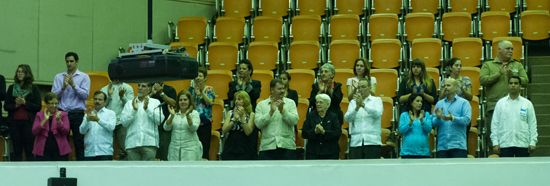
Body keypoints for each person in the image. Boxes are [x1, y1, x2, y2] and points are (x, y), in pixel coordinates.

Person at [480, 40, 529, 156]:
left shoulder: (517, 65)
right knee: (494, 137)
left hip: (516, 107)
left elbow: (526, 81)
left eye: (512, 49)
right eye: (508, 48)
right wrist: (499, 74)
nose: (511, 51)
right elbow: (482, 81)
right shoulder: (489, 65)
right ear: (499, 50)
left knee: (515, 134)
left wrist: (515, 77)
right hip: (493, 107)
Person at [51, 52, 90, 161]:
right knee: (62, 142)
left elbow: (85, 95)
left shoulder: (84, 77)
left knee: (78, 141)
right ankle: (62, 166)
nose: (69, 64)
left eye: (71, 61)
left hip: (77, 113)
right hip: (62, 113)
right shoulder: (59, 77)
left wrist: (73, 85)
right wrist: (63, 87)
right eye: (67, 61)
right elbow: (53, 96)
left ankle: (81, 166)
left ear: (77, 61)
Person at [491, 76, 538, 157]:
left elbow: (532, 124)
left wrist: (532, 142)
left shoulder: (527, 104)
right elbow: (495, 124)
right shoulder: (501, 103)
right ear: (508, 85)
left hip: (522, 143)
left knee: (523, 169)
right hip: (505, 143)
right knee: (506, 169)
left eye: (516, 83)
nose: (513, 85)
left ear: (520, 86)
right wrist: (495, 142)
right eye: (511, 83)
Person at [4, 65, 41, 161]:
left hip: (28, 123)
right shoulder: (12, 88)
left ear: (27, 73)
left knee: (29, 149)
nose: (20, 73)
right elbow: (6, 106)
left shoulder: (34, 88)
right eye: (18, 71)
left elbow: (38, 107)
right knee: (17, 150)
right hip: (14, 123)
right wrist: (15, 105)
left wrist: (25, 103)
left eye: (22, 72)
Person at [255, 79, 299, 160]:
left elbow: (294, 121)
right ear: (272, 90)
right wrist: (270, 112)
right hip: (267, 147)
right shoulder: (261, 105)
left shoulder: (291, 103)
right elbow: (258, 124)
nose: (282, 91)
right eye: (279, 89)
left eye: (283, 88)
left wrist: (283, 111)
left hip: (287, 146)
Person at [121, 83, 164, 161]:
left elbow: (159, 120)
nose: (140, 88)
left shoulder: (155, 102)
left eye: (143, 86)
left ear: (149, 89)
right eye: (139, 85)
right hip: (132, 144)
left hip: (149, 143)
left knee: (148, 172)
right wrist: (133, 110)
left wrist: (147, 109)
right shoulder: (129, 104)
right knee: (134, 172)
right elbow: (124, 123)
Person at [344, 78, 383, 159]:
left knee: (372, 170)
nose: (360, 89)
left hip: (372, 142)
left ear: (369, 88)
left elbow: (377, 113)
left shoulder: (376, 100)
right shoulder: (353, 102)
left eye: (363, 87)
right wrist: (356, 109)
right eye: (359, 87)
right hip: (356, 142)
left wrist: (363, 105)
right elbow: (347, 119)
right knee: (356, 170)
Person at [432, 78, 471, 158]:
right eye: (444, 85)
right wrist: (438, 118)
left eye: (448, 85)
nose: (445, 87)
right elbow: (433, 123)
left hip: (458, 146)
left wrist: (452, 118)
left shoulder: (464, 103)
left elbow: (467, 120)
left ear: (456, 87)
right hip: (442, 146)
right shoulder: (439, 104)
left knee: (459, 171)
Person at [101, 79, 134, 160]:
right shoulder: (103, 89)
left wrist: (123, 97)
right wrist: (108, 96)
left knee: (124, 150)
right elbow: (100, 107)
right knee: (105, 149)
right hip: (107, 123)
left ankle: (125, 170)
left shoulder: (128, 88)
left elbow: (131, 106)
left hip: (122, 122)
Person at [32, 92, 71, 161]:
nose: (54, 105)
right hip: (43, 150)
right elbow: (34, 131)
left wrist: (59, 121)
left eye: (56, 103)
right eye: (51, 103)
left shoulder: (63, 114)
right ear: (46, 104)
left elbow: (66, 131)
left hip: (59, 149)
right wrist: (44, 120)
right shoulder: (39, 115)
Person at [165, 90, 202, 161]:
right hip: (174, 150)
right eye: (180, 100)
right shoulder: (174, 113)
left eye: (185, 100)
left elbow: (193, 128)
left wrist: (188, 116)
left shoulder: (194, 113)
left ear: (189, 101)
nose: (183, 102)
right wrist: (172, 116)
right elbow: (166, 128)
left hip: (190, 150)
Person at [302, 94, 341, 160]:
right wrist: (314, 131)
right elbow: (304, 133)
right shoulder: (310, 116)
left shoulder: (333, 116)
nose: (318, 104)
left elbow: (337, 133)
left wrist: (324, 132)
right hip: (313, 152)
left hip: (330, 152)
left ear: (327, 105)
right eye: (317, 102)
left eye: (321, 102)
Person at [79, 91, 116, 161]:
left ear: (105, 102)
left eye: (100, 99)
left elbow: (111, 127)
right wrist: (87, 120)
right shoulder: (88, 114)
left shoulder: (110, 113)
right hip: (90, 152)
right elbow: (81, 131)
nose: (97, 101)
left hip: (105, 152)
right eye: (95, 99)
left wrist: (98, 120)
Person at [188, 67, 215, 160]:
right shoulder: (190, 89)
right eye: (196, 76)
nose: (198, 78)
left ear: (205, 78)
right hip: (193, 124)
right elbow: (187, 103)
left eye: (200, 76)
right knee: (192, 149)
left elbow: (210, 102)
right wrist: (195, 94)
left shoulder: (209, 89)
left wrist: (202, 93)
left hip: (205, 124)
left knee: (204, 149)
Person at [222, 91, 257, 160]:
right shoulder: (230, 113)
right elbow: (224, 130)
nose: (236, 101)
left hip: (245, 144)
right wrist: (234, 119)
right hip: (231, 143)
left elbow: (248, 132)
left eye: (239, 99)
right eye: (235, 99)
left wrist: (242, 118)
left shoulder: (251, 114)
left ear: (245, 100)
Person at [149, 82, 177, 161]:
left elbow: (174, 104)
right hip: (151, 126)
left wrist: (161, 93)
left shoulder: (170, 89)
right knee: (152, 155)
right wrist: (151, 93)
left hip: (165, 127)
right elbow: (142, 102)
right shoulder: (148, 88)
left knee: (164, 153)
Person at [399, 94, 432, 159]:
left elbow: (429, 129)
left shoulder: (426, 115)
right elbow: (401, 130)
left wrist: (422, 120)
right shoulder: (404, 115)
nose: (420, 103)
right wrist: (410, 122)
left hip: (423, 152)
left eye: (421, 102)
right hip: (407, 152)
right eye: (417, 101)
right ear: (411, 102)